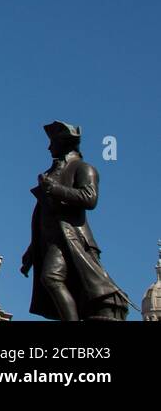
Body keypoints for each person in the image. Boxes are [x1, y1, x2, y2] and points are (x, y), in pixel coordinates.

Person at [21, 121, 129, 321]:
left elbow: (90, 198)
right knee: (57, 282)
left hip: (73, 239)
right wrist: (32, 250)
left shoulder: (83, 168)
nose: (49, 148)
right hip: (53, 241)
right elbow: (45, 217)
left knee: (52, 278)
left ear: (63, 144)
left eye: (52, 143)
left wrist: (54, 189)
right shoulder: (52, 174)